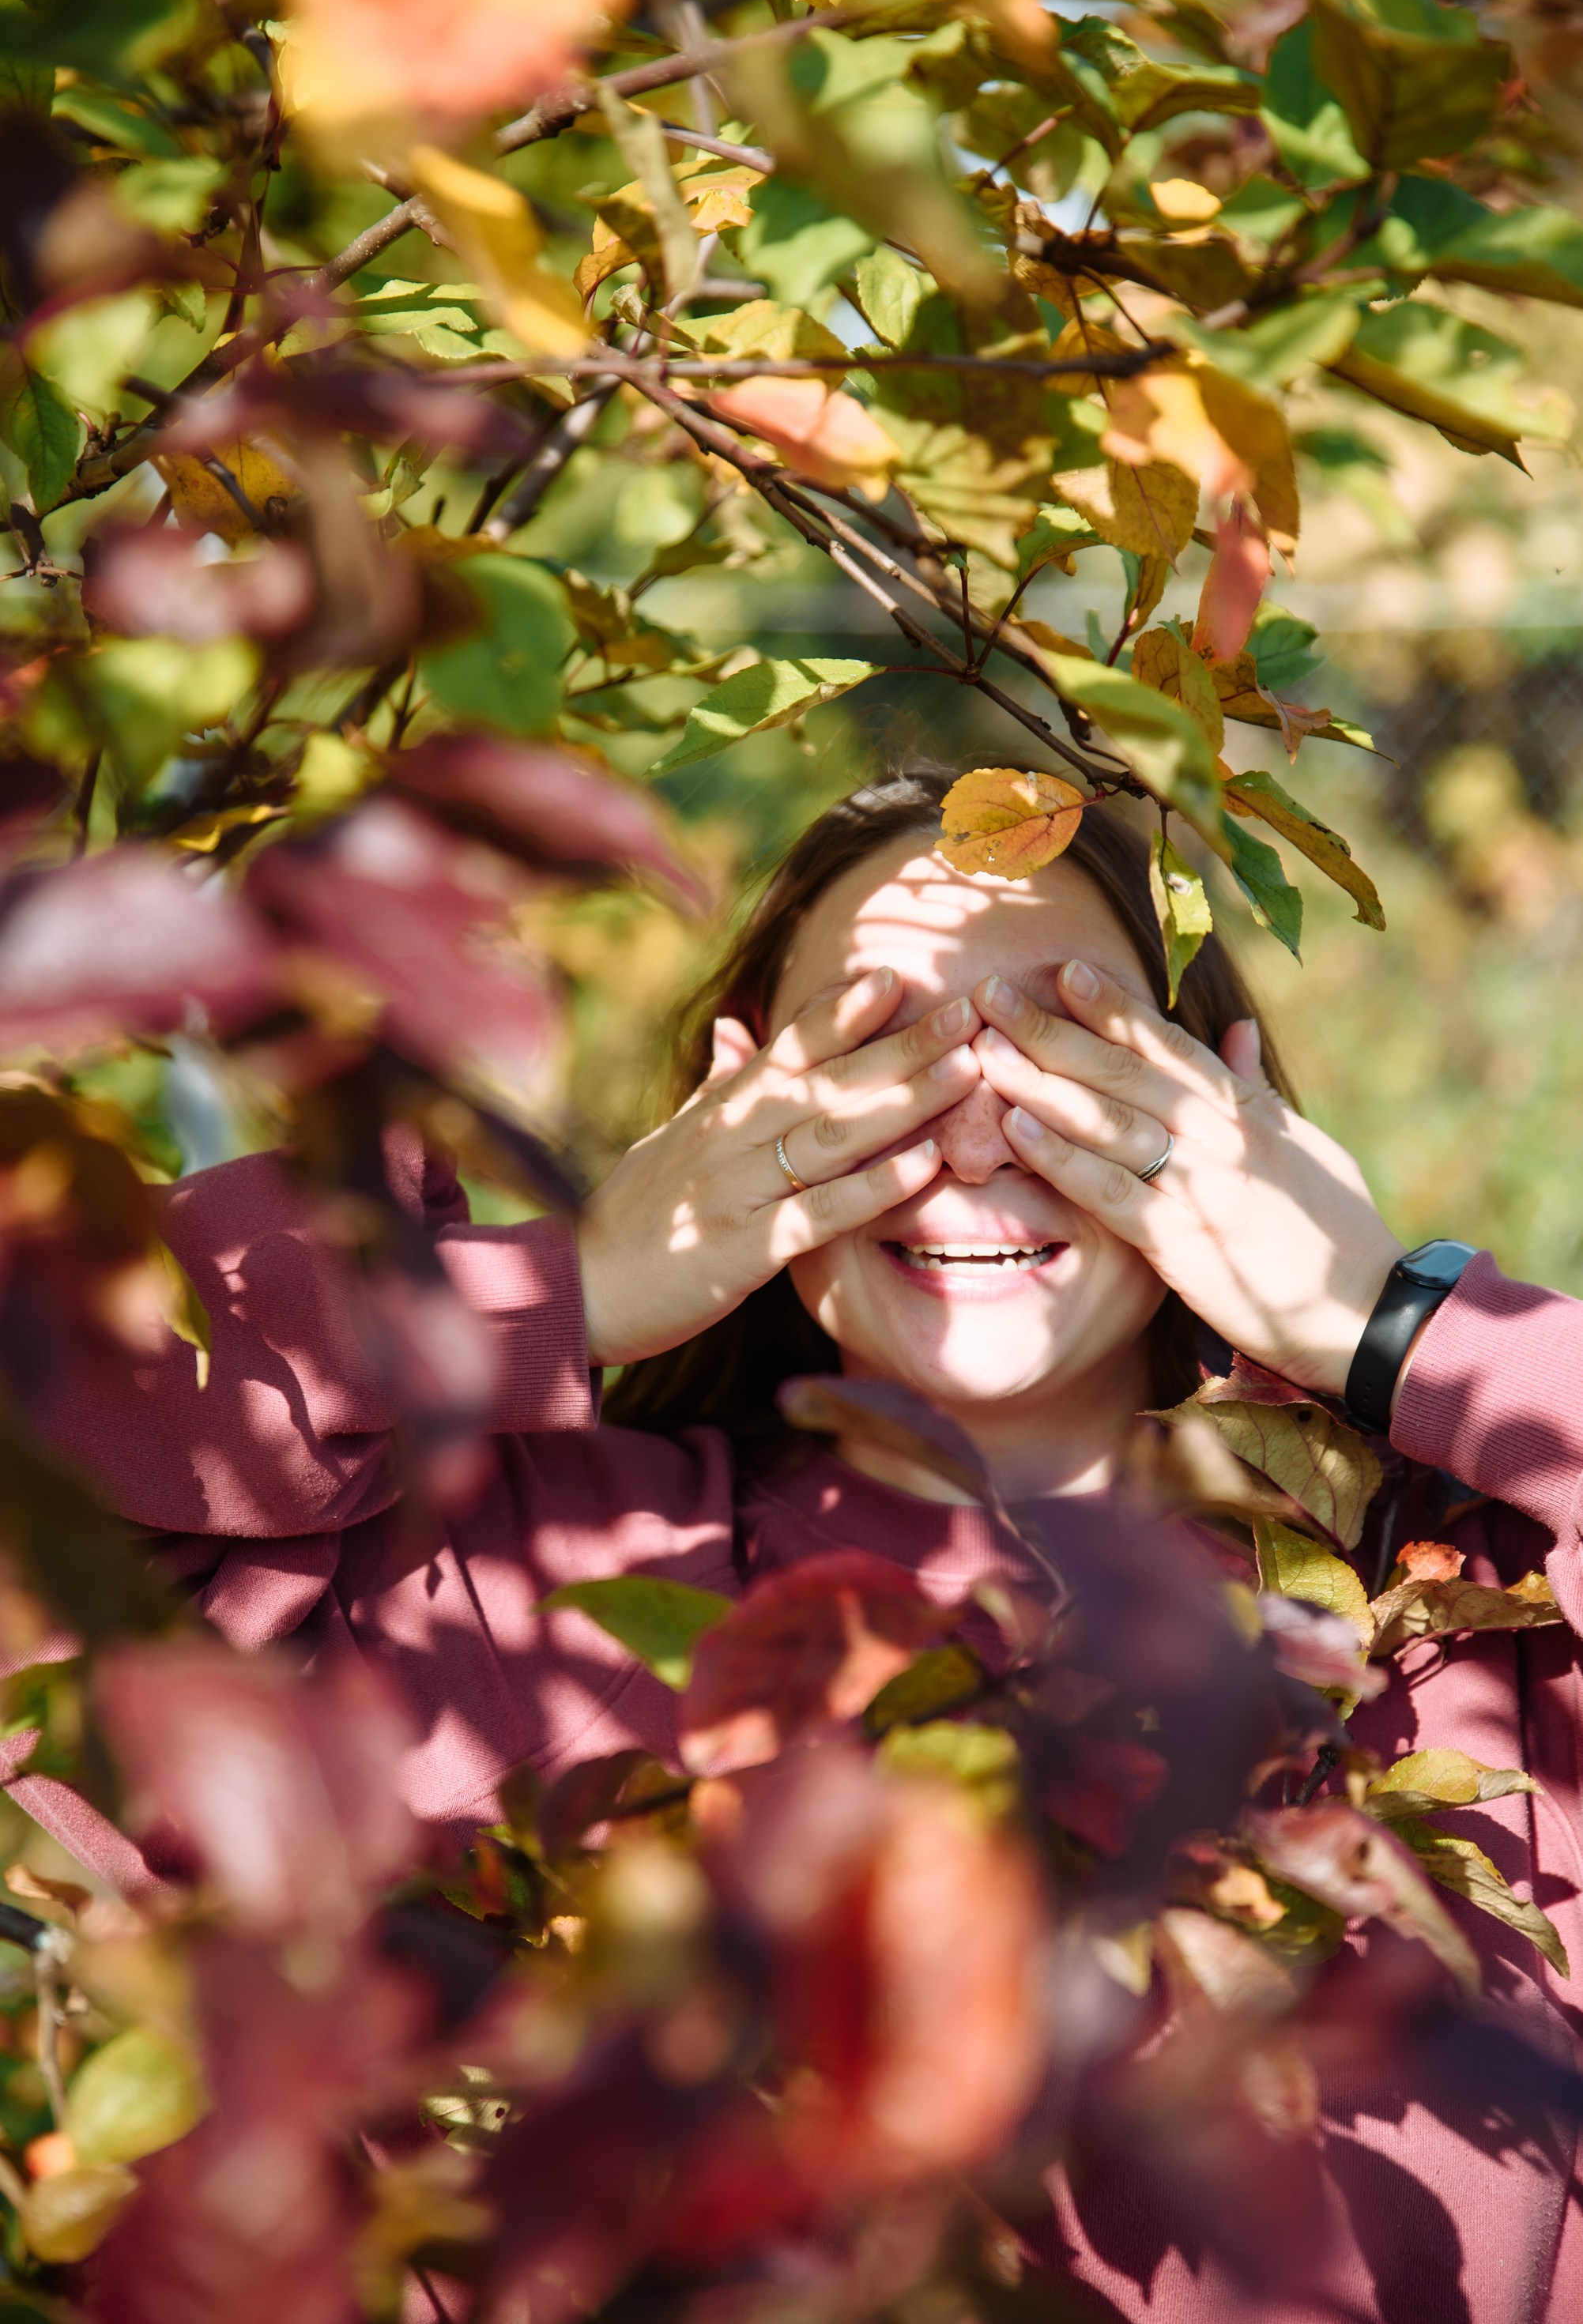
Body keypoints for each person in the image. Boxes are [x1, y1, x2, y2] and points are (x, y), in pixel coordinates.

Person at [22, 763, 1583, 2322]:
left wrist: (1389, 1327)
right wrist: (564, 1287)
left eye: (1066, 1052)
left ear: (1222, 1101)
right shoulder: (500, 1583)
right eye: (884, 1053)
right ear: (734, 1102)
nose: (971, 1147)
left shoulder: (1462, 1615)